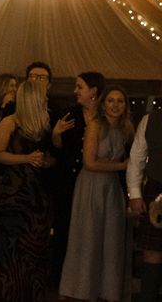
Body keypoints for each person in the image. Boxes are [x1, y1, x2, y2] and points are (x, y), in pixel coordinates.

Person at [59, 85, 134, 302]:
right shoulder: (94, 126)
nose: (115, 105)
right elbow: (90, 162)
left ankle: (107, 290)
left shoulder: (127, 128)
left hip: (111, 187)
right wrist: (122, 166)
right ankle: (82, 289)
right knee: (88, 237)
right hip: (91, 186)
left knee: (111, 239)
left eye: (120, 101)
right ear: (103, 103)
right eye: (111, 100)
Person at [0, 80, 55, 302]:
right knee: (11, 251)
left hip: (38, 199)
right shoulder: (10, 122)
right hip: (15, 197)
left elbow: (53, 159)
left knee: (35, 252)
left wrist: (46, 161)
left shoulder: (45, 125)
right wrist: (25, 158)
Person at [50, 71, 104, 284]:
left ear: (94, 91)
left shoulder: (105, 116)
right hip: (69, 182)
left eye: (79, 87)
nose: (75, 91)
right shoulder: (70, 114)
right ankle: (62, 280)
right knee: (65, 229)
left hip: (96, 182)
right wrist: (56, 134)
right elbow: (59, 151)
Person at [128, 97, 162, 302]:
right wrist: (135, 194)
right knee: (152, 253)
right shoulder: (150, 120)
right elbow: (136, 159)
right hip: (156, 190)